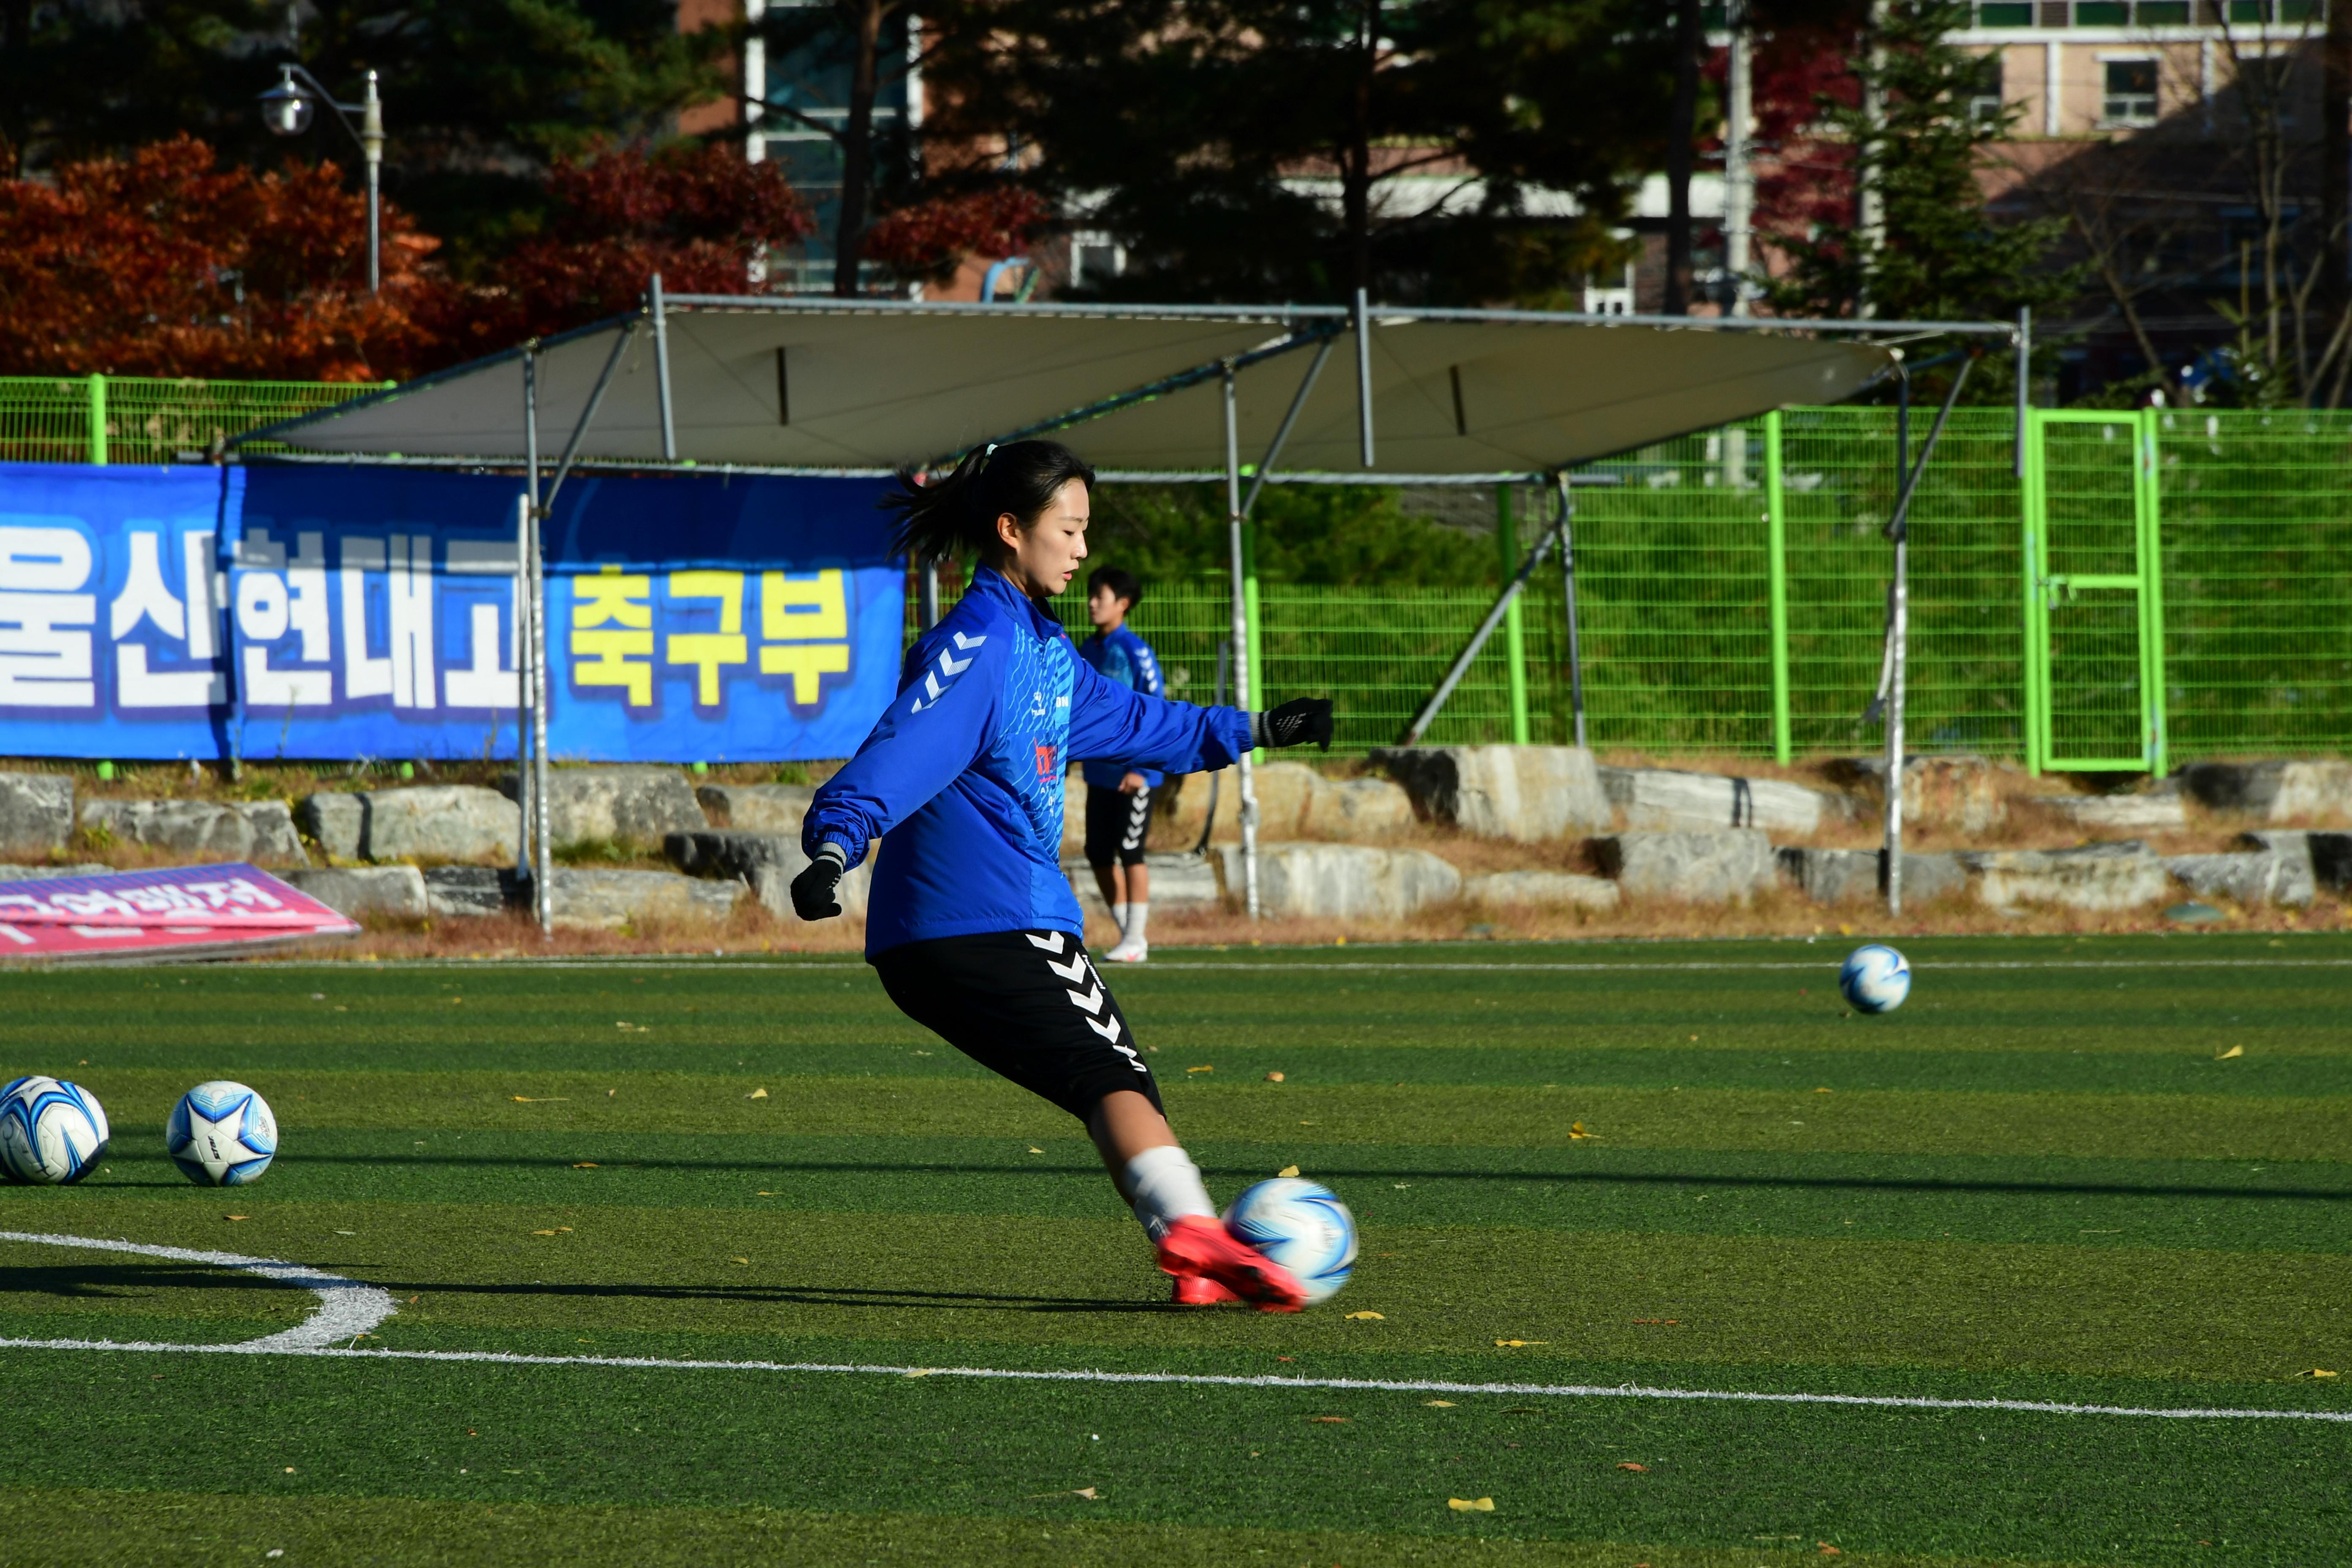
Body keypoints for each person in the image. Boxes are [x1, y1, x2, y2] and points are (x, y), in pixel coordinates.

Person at [788, 438, 1334, 1310]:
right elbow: (904, 746)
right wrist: (837, 844)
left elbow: (1142, 721)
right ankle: (1192, 1234)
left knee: (1110, 1075)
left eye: (1086, 531)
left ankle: (1193, 1256)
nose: (1083, 550)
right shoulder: (982, 645)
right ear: (1011, 529)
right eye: (1069, 529)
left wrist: (1260, 725)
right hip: (988, 918)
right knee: (1113, 1074)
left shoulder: (1044, 650)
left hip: (944, 937)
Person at [1076, 565, 1161, 964]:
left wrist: (1141, 769)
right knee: (1097, 852)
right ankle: (1128, 932)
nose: (1092, 603)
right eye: (1091, 595)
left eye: (1101, 597)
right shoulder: (1085, 651)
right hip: (1099, 773)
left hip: (1134, 775)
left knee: (1131, 850)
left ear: (1123, 605)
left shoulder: (1135, 652)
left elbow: (1156, 710)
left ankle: (1136, 937)